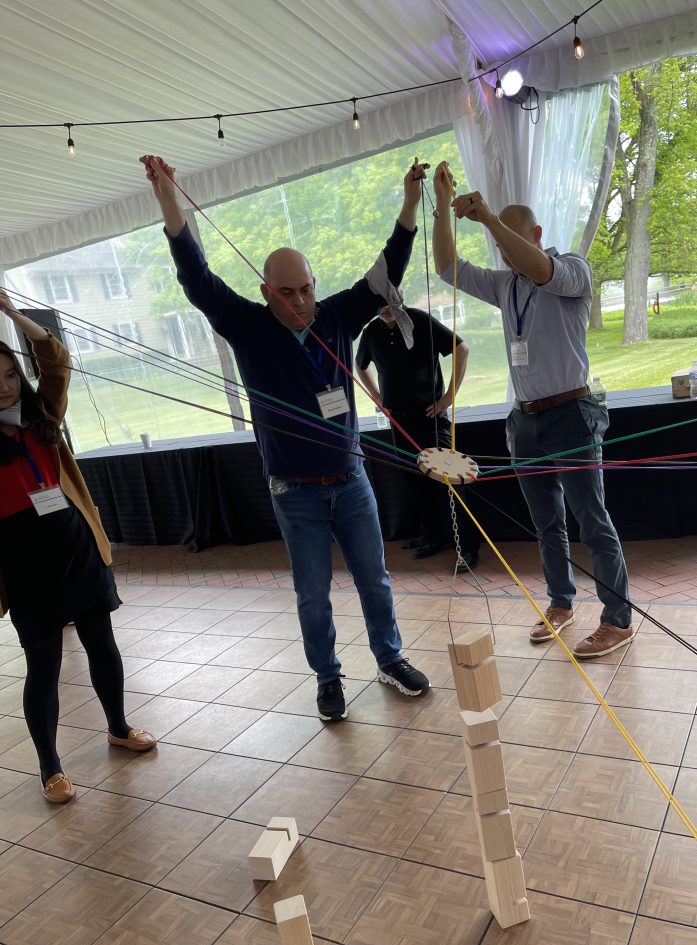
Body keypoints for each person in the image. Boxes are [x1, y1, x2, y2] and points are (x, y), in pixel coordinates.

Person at [141, 154, 431, 721]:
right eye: (287, 293)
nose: (299, 302)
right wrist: (169, 200)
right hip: (293, 493)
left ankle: (389, 659)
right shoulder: (247, 326)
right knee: (312, 596)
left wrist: (411, 203)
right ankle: (327, 677)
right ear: (266, 291)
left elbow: (387, 269)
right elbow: (196, 277)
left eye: (306, 289)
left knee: (375, 579)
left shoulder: (339, 316)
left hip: (351, 483)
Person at [431, 162, 633, 658]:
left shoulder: (571, 269)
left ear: (536, 234)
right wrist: (440, 204)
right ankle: (561, 603)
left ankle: (618, 619)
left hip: (572, 412)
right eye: (501, 246)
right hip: (525, 420)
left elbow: (540, 269)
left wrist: (491, 220)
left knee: (592, 518)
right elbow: (446, 267)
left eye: (512, 239)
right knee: (547, 523)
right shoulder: (505, 286)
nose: (503, 250)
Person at [0, 292, 156, 804]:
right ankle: (50, 768)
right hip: (22, 561)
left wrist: (13, 315)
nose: (2, 387)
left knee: (102, 644)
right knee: (42, 665)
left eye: (7, 375)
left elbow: (57, 360)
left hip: (74, 545)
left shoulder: (42, 412)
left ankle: (117, 727)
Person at [355, 292, 480, 571]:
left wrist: (449, 396)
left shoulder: (420, 321)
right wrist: (378, 399)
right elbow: (359, 365)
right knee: (416, 481)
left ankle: (469, 548)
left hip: (430, 417)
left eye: (390, 299)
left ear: (400, 296)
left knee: (452, 481)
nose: (386, 307)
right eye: (380, 301)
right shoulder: (371, 331)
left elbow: (462, 348)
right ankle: (436, 537)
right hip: (398, 421)